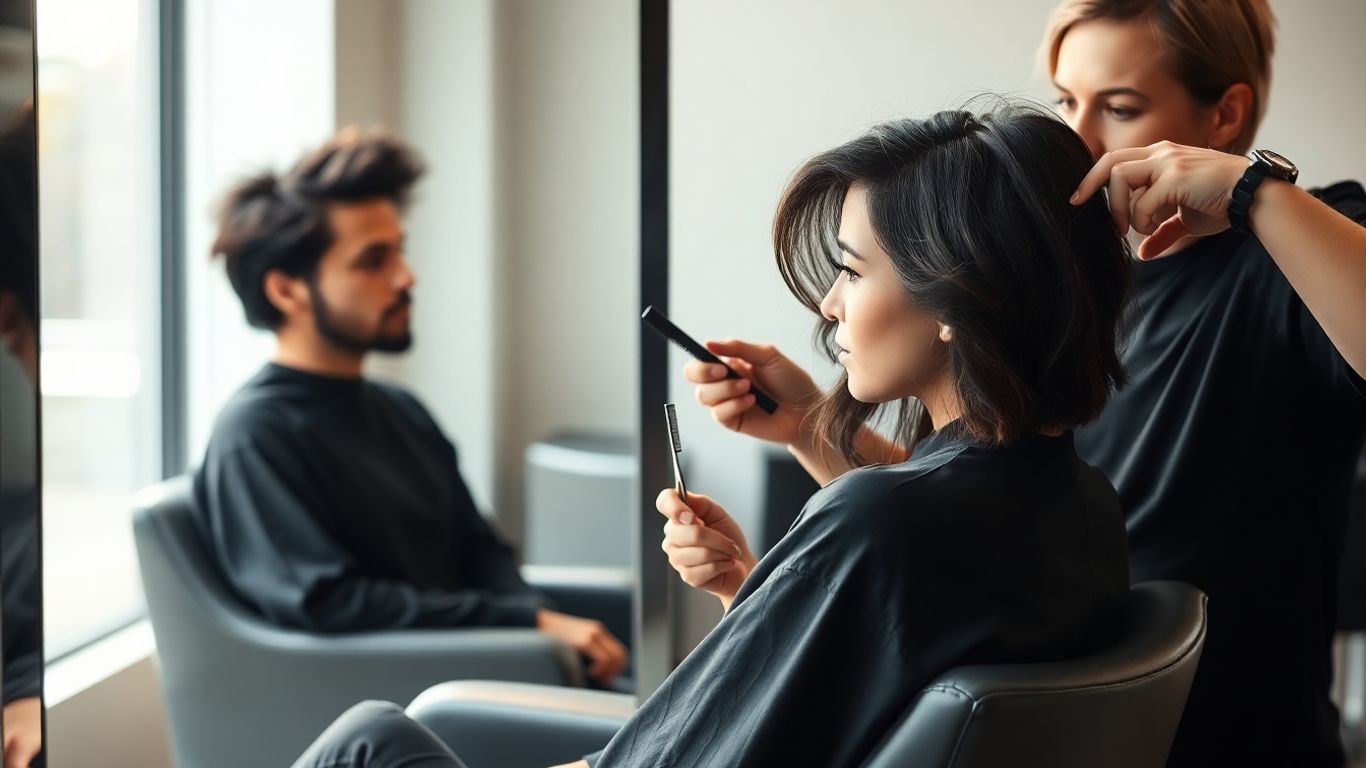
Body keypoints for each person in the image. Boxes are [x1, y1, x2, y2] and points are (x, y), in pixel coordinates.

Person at [290, 103, 1133, 767]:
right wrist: (753, 591)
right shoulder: (1084, 511)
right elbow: (864, 681)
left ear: (958, 297)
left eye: (850, 270)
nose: (829, 305)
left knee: (372, 740)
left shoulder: (880, 521)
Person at [685, 2, 1366, 764]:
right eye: (1066, 101)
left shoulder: (1290, 268)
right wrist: (810, 426)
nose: (1079, 139)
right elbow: (962, 530)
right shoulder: (1074, 295)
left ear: (1225, 114)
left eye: (1120, 108)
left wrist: (1252, 192)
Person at [194, 128, 627, 686]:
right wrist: (526, 624)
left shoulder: (401, 409)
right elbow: (328, 602)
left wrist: (539, 627)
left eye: (399, 250)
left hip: (496, 674)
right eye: (374, 260)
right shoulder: (255, 434)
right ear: (286, 290)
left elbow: (480, 552)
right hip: (411, 703)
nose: (406, 277)